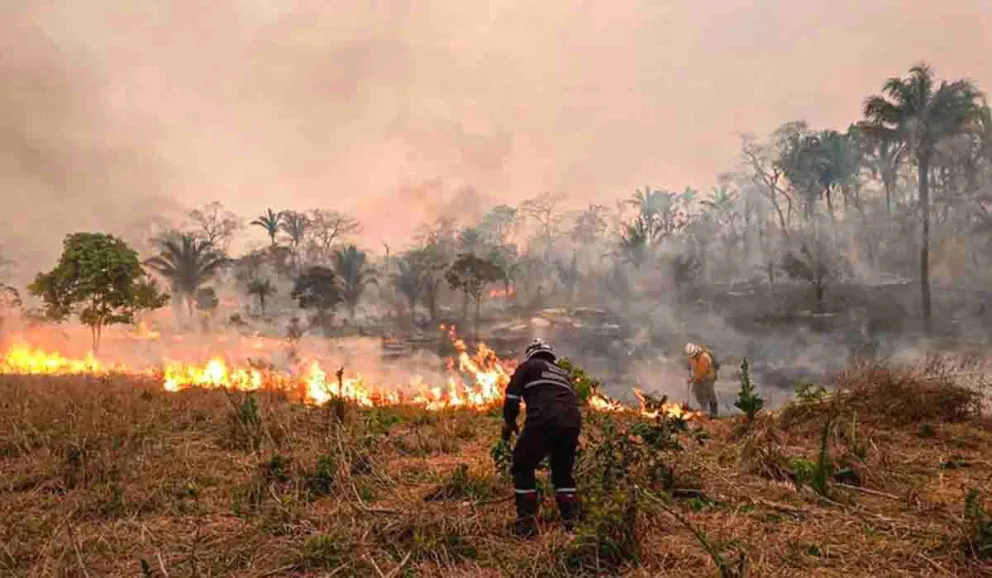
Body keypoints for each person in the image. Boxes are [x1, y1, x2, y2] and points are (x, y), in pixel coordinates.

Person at [501, 338, 582, 537]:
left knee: (522, 464)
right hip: (572, 423)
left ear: (531, 354)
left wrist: (509, 422)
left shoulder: (528, 367)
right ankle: (571, 522)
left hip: (544, 419)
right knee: (563, 472)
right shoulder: (563, 374)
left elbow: (512, 398)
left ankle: (527, 523)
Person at [684, 342, 719, 418]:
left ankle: (714, 412)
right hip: (699, 375)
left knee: (709, 392)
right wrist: (689, 366)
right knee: (697, 391)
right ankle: (704, 408)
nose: (691, 357)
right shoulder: (693, 356)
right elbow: (692, 364)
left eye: (693, 356)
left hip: (709, 376)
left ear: (696, 352)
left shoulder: (704, 357)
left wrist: (691, 379)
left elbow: (701, 373)